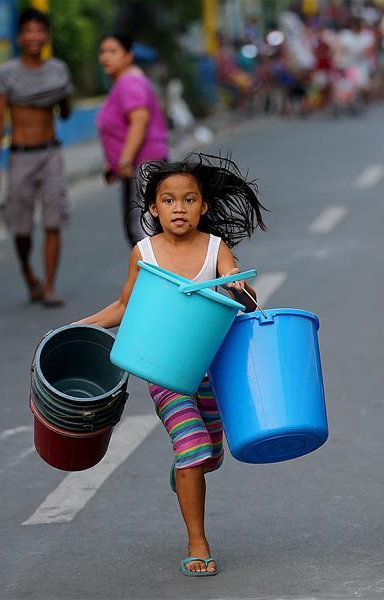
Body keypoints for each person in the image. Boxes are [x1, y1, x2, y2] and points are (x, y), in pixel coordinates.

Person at [75, 153, 267, 576]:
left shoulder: (217, 249)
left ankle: (186, 471)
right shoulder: (144, 254)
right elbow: (126, 305)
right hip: (166, 372)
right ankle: (198, 542)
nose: (178, 208)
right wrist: (77, 327)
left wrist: (240, 287)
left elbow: (247, 299)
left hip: (212, 372)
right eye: (168, 200)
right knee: (194, 448)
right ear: (152, 208)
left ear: (204, 206)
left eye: (189, 199)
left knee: (211, 455)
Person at [0, 8, 72, 307]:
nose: (34, 36)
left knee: (53, 221)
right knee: (21, 228)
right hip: (20, 156)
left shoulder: (58, 70)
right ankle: (27, 271)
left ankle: (48, 286)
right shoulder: (6, 73)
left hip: (50, 153)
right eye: (28, 31)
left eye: (40, 30)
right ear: (19, 37)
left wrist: (62, 96)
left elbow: (65, 110)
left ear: (46, 36)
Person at [96, 33, 169, 247]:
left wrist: (125, 160)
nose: (105, 57)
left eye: (113, 51)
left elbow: (140, 120)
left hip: (144, 164)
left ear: (128, 56)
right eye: (103, 52)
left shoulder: (129, 82)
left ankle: (160, 279)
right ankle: (158, 278)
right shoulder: (124, 82)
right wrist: (114, 165)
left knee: (143, 231)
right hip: (139, 165)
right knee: (144, 229)